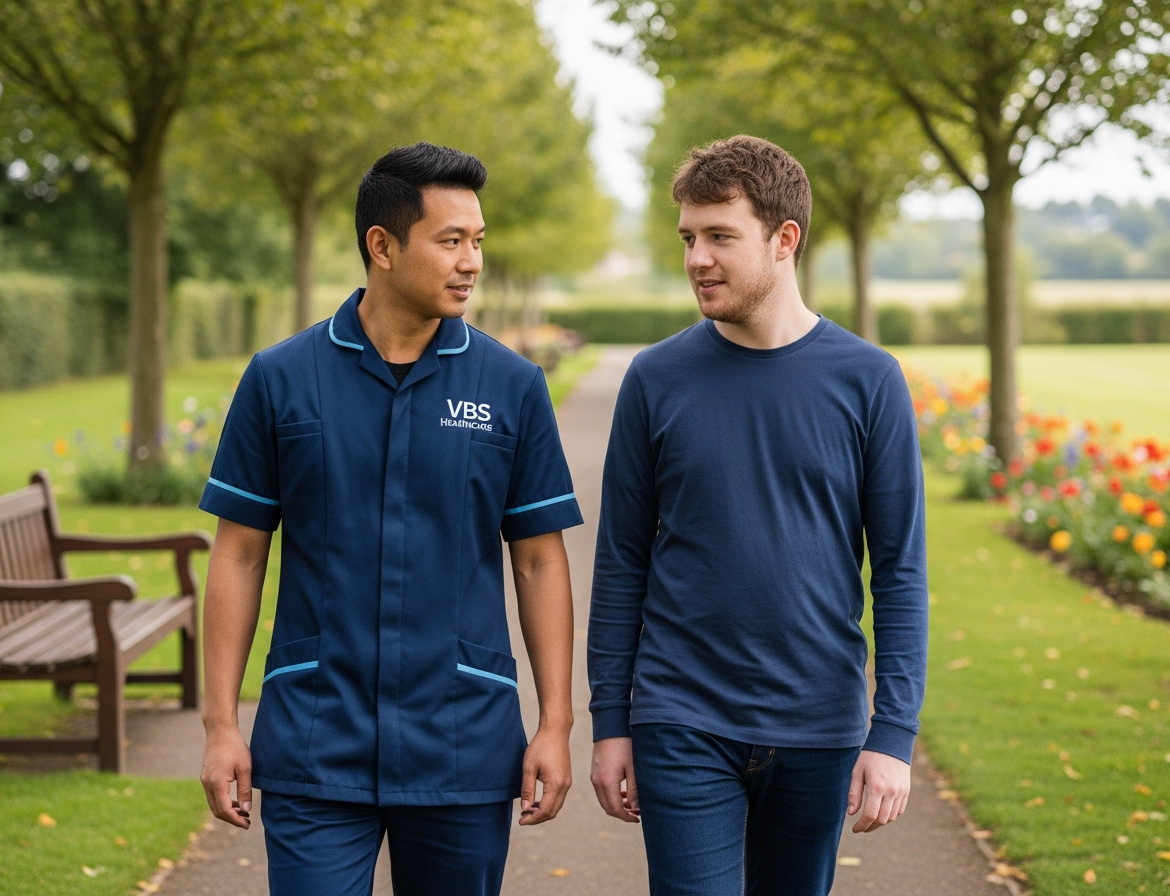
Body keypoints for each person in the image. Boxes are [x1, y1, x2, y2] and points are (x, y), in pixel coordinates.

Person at [198, 142, 582, 896]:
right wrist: (219, 727)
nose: (471, 262)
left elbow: (539, 560)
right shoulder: (280, 379)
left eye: (478, 241)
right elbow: (239, 553)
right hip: (315, 741)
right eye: (451, 241)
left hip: (462, 745)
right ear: (382, 245)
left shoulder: (512, 385)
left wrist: (555, 725)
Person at [587, 135, 928, 896]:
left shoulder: (870, 381)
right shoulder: (655, 379)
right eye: (688, 238)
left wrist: (894, 734)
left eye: (720, 236)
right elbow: (621, 563)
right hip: (682, 716)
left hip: (819, 722)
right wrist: (611, 722)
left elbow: (900, 571)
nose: (697, 259)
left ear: (784, 239)